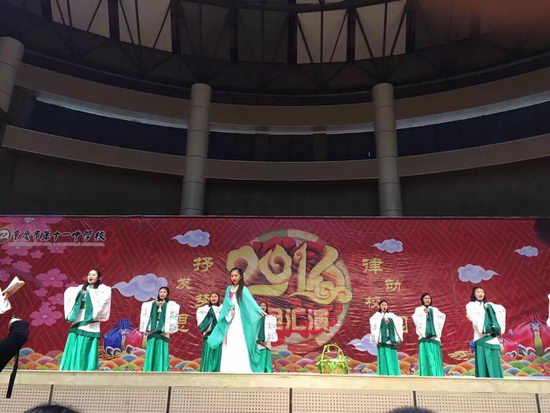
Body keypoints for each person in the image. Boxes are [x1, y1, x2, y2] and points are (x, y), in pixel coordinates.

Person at [206, 267, 266, 373]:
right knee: (229, 339)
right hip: (230, 316)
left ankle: (242, 368)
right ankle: (228, 368)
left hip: (240, 319)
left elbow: (251, 302)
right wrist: (229, 311)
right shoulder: (229, 289)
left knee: (240, 339)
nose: (234, 278)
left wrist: (258, 310)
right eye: (232, 276)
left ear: (240, 276)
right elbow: (226, 303)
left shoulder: (243, 289)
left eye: (236, 276)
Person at [59, 269, 111, 371]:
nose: (90, 276)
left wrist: (90, 293)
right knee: (74, 339)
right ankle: (70, 367)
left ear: (98, 278)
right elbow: (69, 293)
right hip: (79, 316)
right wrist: (82, 292)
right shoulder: (80, 288)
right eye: (89, 274)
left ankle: (86, 368)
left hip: (91, 318)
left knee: (87, 342)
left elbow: (104, 298)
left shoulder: (102, 289)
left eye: (93, 275)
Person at [466, 286, 506, 378]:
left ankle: (497, 381)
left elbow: (500, 311)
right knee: (482, 362)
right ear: (474, 294)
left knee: (495, 361)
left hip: (492, 338)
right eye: (478, 292)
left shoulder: (490, 305)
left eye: (482, 292)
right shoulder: (471, 305)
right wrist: (483, 310)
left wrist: (490, 307)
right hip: (480, 337)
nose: (480, 294)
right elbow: (473, 318)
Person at [139, 286, 180, 372]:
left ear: (167, 294)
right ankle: (149, 368)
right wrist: (155, 305)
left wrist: (164, 305)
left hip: (164, 329)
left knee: (162, 348)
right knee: (151, 348)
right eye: (161, 292)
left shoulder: (171, 304)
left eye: (164, 292)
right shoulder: (151, 303)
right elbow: (145, 307)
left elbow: (176, 309)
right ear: (158, 293)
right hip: (152, 329)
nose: (162, 294)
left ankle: (161, 368)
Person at [412, 293, 446, 376]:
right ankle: (426, 375)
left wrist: (437, 332)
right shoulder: (418, 310)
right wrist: (424, 314)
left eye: (429, 298)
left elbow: (442, 317)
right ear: (422, 300)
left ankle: (436, 375)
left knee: (434, 357)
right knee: (426, 357)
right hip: (424, 338)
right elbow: (416, 321)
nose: (427, 300)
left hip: (434, 338)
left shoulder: (435, 310)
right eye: (425, 298)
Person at [370, 299, 403, 376]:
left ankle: (393, 373)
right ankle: (383, 373)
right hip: (382, 339)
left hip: (390, 339)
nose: (384, 306)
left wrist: (390, 321)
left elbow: (399, 321)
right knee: (383, 356)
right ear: (380, 306)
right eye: (382, 305)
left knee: (392, 356)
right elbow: (373, 324)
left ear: (387, 306)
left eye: (385, 305)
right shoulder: (376, 316)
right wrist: (382, 321)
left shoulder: (391, 315)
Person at [196, 292, 222, 372]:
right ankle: (207, 369)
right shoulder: (204, 309)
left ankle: (216, 370)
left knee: (217, 352)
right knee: (208, 351)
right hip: (208, 334)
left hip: (218, 334)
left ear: (218, 298)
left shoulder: (222, 309)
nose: (213, 298)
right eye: (212, 296)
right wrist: (207, 328)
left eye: (215, 296)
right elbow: (201, 321)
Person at [257, 302, 278, 373]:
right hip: (259, 339)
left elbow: (272, 328)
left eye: (264, 306)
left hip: (267, 338)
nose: (263, 307)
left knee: (267, 354)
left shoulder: (270, 317)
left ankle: (268, 370)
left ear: (266, 307)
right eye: (261, 305)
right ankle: (261, 370)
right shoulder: (256, 317)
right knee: (261, 354)